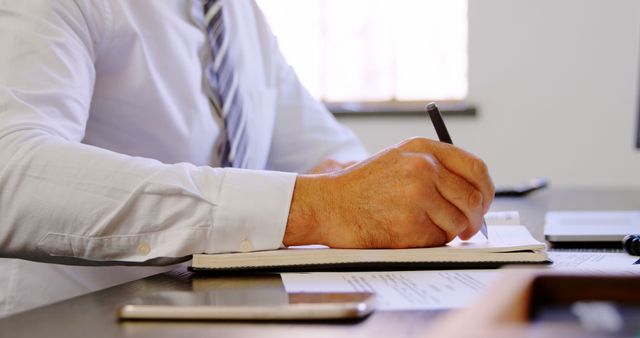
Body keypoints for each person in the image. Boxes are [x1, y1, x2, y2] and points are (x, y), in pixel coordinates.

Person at [0, 0, 494, 316]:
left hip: (215, 317)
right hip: (70, 321)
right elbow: (10, 175)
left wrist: (373, 189)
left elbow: (326, 154)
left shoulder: (233, 14)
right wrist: (319, 206)